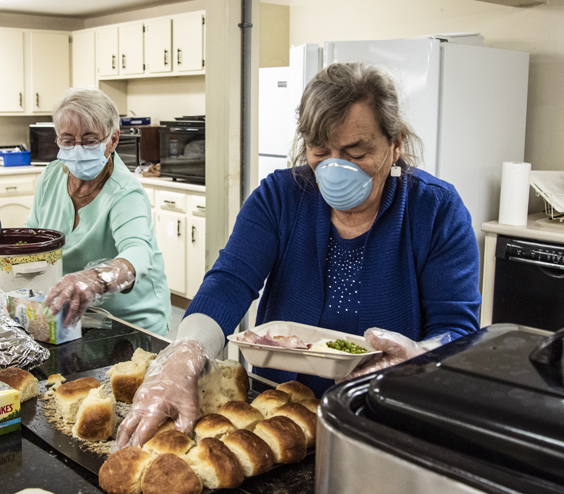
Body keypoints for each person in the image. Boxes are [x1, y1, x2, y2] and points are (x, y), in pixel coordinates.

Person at [116, 62, 481, 448]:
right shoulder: (281, 197)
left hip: (388, 417)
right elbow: (230, 282)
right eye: (320, 150)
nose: (336, 168)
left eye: (356, 151)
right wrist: (186, 351)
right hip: (280, 410)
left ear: (396, 144)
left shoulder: (435, 210)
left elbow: (458, 330)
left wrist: (420, 354)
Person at [26, 87, 171, 337]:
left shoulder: (125, 192)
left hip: (130, 325)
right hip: (74, 318)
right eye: (68, 141)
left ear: (112, 140)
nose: (78, 150)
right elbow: (33, 241)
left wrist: (95, 280)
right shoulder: (51, 176)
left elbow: (138, 252)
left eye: (91, 140)